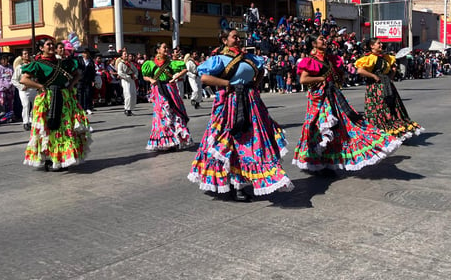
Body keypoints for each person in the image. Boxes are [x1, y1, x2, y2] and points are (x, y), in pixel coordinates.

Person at [188, 29, 294, 201]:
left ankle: (242, 182)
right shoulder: (219, 59)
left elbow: (260, 71)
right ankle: (233, 183)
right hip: (229, 104)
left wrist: (254, 85)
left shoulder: (249, 58)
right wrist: (228, 84)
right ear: (224, 40)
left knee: (251, 141)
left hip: (251, 102)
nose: (238, 40)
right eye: (234, 37)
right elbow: (205, 78)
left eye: (239, 37)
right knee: (231, 142)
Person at [293, 34, 401, 174]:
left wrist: (339, 77)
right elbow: (303, 79)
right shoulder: (310, 60)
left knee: (341, 127)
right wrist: (322, 78)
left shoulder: (330, 59)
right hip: (319, 99)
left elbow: (338, 76)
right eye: (321, 38)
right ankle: (317, 162)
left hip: (333, 96)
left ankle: (328, 162)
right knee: (319, 129)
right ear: (314, 44)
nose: (325, 40)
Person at [20, 38, 91, 170]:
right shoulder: (37, 64)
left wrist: (70, 85)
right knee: (48, 128)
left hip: (63, 98)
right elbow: (24, 79)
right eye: (48, 45)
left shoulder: (62, 62)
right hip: (46, 99)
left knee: (63, 129)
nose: (51, 46)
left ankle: (61, 158)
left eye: (53, 44)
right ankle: (48, 158)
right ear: (41, 48)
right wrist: (39, 86)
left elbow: (77, 74)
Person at [355, 38, 423, 140]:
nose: (381, 45)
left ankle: (393, 129)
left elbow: (391, 72)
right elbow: (360, 71)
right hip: (375, 88)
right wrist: (373, 76)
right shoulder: (369, 58)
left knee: (393, 107)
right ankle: (379, 130)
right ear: (372, 46)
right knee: (379, 108)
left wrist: (392, 72)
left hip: (387, 85)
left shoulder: (386, 57)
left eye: (381, 43)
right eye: (378, 43)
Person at [141, 42, 192, 151]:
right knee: (162, 114)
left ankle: (175, 139)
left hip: (170, 89)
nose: (167, 49)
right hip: (159, 90)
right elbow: (145, 76)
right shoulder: (150, 63)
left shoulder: (171, 63)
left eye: (167, 48)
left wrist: (175, 78)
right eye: (164, 48)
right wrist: (151, 80)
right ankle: (166, 141)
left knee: (174, 112)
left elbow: (185, 69)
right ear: (158, 50)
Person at [11, 49, 37, 131]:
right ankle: (25, 122)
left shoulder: (34, 66)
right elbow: (14, 80)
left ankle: (32, 120)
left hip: (33, 88)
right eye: (25, 54)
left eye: (28, 53)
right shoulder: (19, 68)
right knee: (26, 105)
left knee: (34, 105)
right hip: (24, 90)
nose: (27, 55)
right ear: (22, 56)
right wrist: (21, 86)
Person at [117, 50, 138, 116]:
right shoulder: (120, 64)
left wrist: (135, 75)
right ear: (122, 56)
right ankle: (127, 109)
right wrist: (127, 77)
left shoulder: (130, 63)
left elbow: (136, 70)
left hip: (132, 79)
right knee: (128, 94)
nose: (126, 55)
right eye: (124, 54)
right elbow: (120, 72)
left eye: (127, 54)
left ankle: (130, 109)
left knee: (133, 93)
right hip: (125, 80)